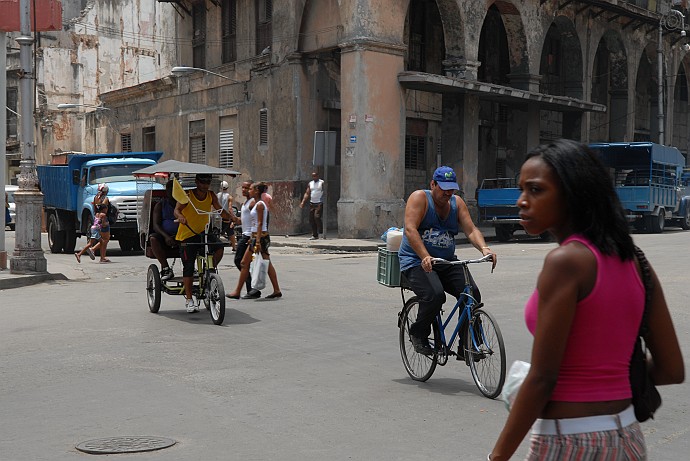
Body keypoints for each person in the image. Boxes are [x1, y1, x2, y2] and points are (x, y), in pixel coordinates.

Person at [489, 140, 684, 461]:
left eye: (536, 190)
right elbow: (672, 369)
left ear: (573, 194)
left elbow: (542, 378)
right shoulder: (636, 261)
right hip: (628, 439)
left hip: (571, 442)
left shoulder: (566, 262)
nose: (521, 201)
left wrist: (497, 457)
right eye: (521, 189)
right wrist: (610, 377)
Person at [397, 166, 497, 355]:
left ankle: (467, 345)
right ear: (433, 184)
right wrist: (425, 256)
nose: (448, 192)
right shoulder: (420, 198)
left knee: (472, 294)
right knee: (435, 295)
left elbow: (471, 230)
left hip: (446, 261)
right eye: (443, 188)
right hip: (416, 261)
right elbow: (410, 229)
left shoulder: (456, 203)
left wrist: (484, 248)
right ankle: (418, 333)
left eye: (451, 188)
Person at [175, 173, 233, 313]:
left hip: (203, 233)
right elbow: (176, 210)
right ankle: (189, 299)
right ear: (197, 181)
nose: (205, 185)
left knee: (219, 247)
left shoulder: (211, 195)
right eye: (202, 181)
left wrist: (231, 217)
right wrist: (181, 216)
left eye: (208, 182)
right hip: (187, 235)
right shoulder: (187, 195)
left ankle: (209, 272)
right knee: (188, 267)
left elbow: (219, 210)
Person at [227, 182, 282, 300]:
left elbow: (260, 223)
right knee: (266, 264)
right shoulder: (256, 204)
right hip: (256, 236)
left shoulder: (259, 205)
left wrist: (256, 241)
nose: (248, 191)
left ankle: (238, 291)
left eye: (250, 189)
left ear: (256, 191)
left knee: (243, 263)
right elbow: (252, 222)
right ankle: (276, 290)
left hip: (259, 237)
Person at [230, 180, 261, 299]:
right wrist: (234, 219)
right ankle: (253, 289)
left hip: (248, 236)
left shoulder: (253, 203)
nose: (244, 190)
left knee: (240, 261)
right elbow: (243, 220)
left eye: (247, 188)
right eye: (242, 188)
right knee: (247, 263)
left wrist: (255, 237)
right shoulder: (245, 203)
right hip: (245, 234)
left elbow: (258, 220)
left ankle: (252, 288)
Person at [150, 180, 179, 281]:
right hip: (165, 236)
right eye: (170, 190)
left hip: (182, 234)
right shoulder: (160, 205)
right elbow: (156, 225)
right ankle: (166, 268)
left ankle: (190, 268)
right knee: (153, 239)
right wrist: (166, 236)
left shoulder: (184, 204)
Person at [299, 171, 324, 240]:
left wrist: (323, 200)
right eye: (313, 176)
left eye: (315, 176)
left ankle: (321, 232)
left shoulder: (322, 183)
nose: (314, 177)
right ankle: (315, 235)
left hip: (319, 202)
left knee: (317, 217)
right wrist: (303, 202)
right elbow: (307, 193)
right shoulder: (310, 183)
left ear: (318, 176)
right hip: (312, 203)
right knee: (311, 219)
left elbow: (325, 191)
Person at [216, 180, 237, 250]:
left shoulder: (216, 196)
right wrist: (233, 217)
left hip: (217, 217)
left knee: (216, 232)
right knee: (230, 232)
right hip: (226, 217)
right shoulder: (229, 197)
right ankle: (234, 247)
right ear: (227, 188)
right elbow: (230, 208)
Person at [93, 184, 111, 263]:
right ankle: (93, 249)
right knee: (105, 239)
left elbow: (95, 208)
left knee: (103, 239)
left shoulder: (95, 197)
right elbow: (103, 206)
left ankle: (102, 257)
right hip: (103, 218)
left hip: (97, 217)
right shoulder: (105, 199)